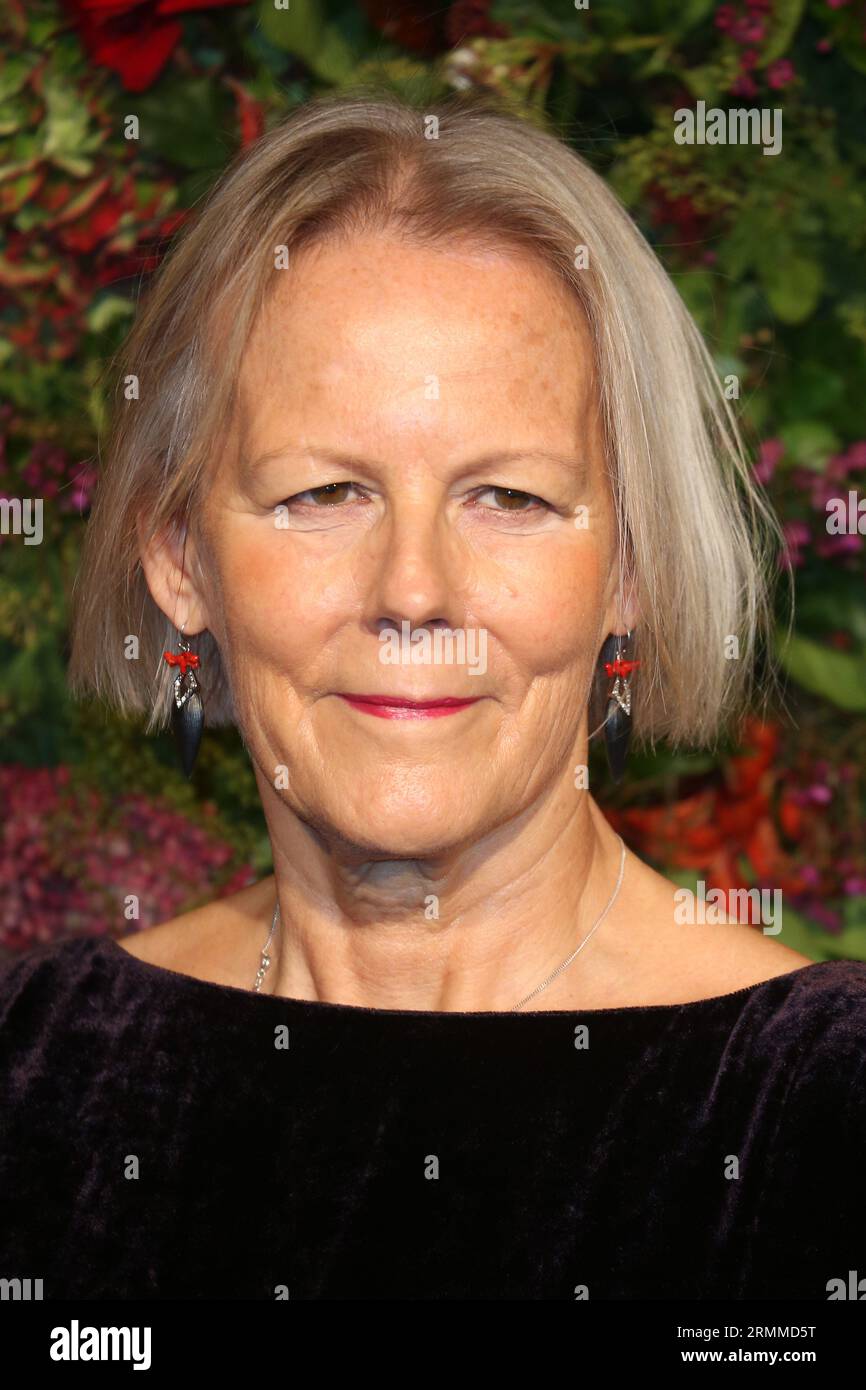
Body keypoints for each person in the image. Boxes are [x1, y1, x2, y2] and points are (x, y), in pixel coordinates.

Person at [1, 88, 864, 1301]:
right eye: (322, 493)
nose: (413, 588)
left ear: (626, 566)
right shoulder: (35, 1074)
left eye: (506, 497)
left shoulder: (819, 1111)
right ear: (178, 559)